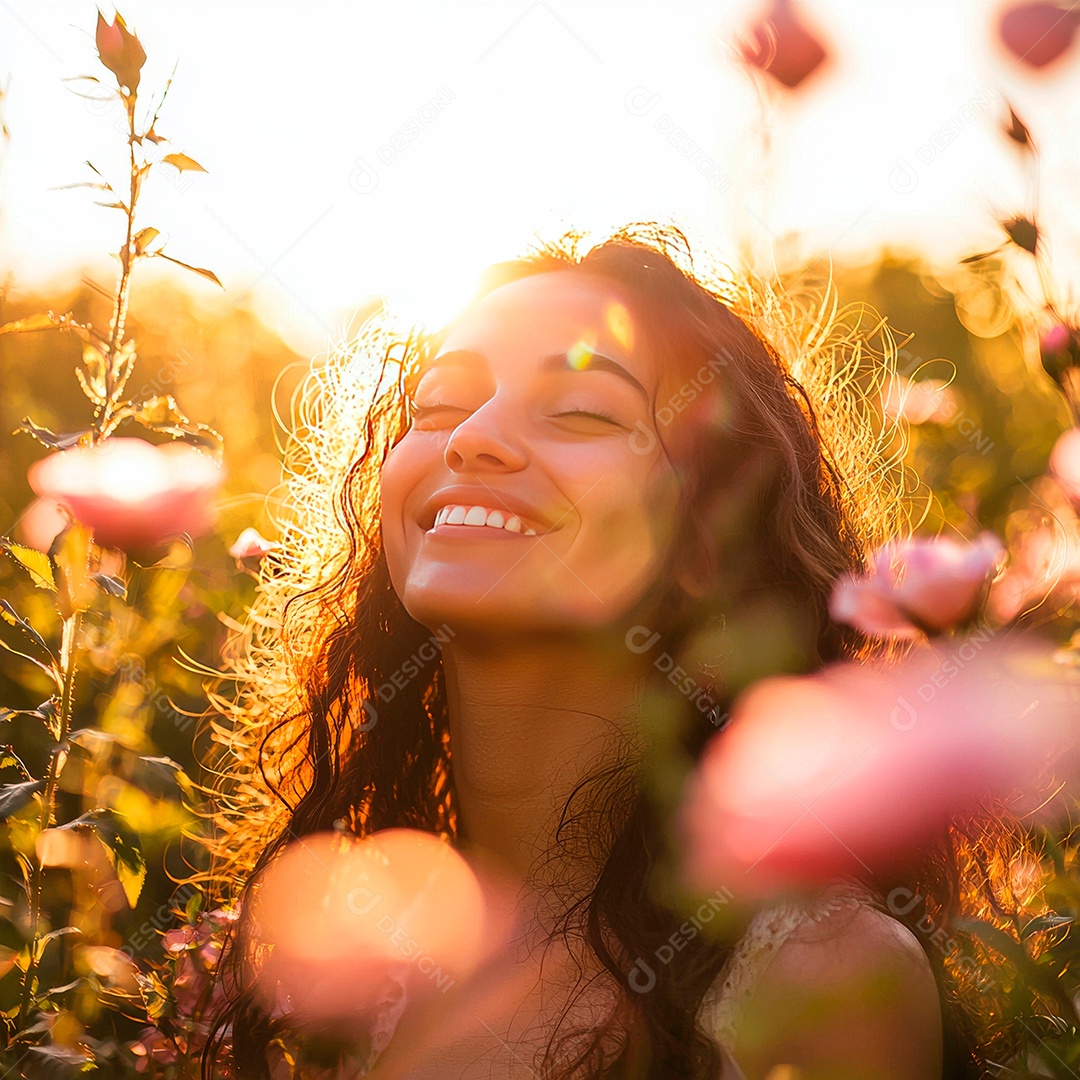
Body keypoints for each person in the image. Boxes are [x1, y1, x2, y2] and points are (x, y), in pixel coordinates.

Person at [200, 223, 1016, 1079]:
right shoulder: (359, 962)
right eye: (438, 404)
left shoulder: (820, 973)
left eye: (582, 411)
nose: (470, 437)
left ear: (713, 530)